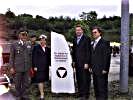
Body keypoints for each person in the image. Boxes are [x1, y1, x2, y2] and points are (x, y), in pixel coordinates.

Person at [9, 31, 32, 100]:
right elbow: (11, 57)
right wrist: (11, 67)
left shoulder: (29, 44)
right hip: (17, 67)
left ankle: (24, 95)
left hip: (26, 67)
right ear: (19, 35)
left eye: (26, 35)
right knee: (17, 83)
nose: (24, 36)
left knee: (26, 82)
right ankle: (18, 95)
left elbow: (30, 56)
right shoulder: (14, 44)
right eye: (23, 35)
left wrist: (31, 66)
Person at [91, 26, 111, 100]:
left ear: (100, 33)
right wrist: (91, 67)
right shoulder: (93, 43)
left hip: (102, 70)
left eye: (95, 32)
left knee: (102, 88)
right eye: (93, 32)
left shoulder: (105, 42)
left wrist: (105, 69)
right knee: (96, 87)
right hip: (94, 69)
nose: (94, 34)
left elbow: (107, 57)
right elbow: (92, 56)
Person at [72, 25, 91, 100]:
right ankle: (80, 93)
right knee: (79, 78)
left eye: (79, 30)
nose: (78, 31)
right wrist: (73, 61)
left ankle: (85, 95)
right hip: (77, 63)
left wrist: (87, 62)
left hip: (84, 63)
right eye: (76, 30)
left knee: (85, 79)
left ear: (82, 31)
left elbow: (88, 51)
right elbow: (74, 51)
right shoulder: (74, 39)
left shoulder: (87, 38)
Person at [32, 34, 50, 100]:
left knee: (44, 80)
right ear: (40, 41)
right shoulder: (36, 47)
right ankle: (42, 94)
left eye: (44, 40)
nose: (43, 41)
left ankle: (43, 92)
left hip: (46, 67)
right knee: (40, 80)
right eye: (41, 40)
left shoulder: (47, 48)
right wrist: (35, 66)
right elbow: (34, 57)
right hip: (38, 67)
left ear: (46, 41)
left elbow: (49, 57)